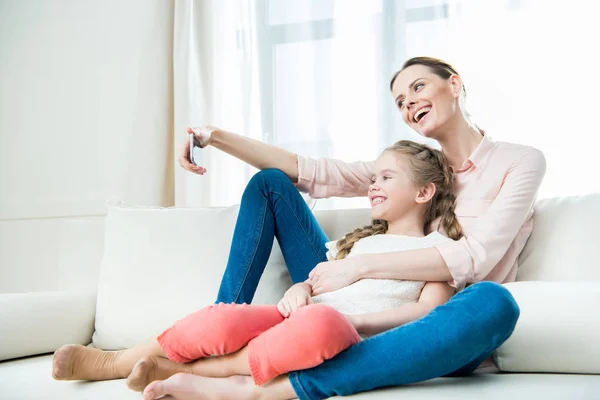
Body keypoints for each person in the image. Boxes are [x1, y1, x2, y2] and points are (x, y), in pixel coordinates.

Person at [77, 56, 548, 400]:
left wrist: (357, 273)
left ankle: (255, 386)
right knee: (270, 184)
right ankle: (199, 340)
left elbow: (475, 257)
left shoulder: (519, 162)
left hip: (430, 322)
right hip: (343, 292)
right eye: (401, 101)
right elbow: (312, 170)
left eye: (419, 88)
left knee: (493, 302)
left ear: (455, 84)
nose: (410, 104)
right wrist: (213, 137)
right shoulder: (407, 169)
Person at [52, 140, 463, 394]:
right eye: (373, 177)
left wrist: (353, 319)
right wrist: (301, 288)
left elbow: (431, 313)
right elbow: (319, 280)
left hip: (342, 331)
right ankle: (114, 361)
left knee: (318, 325)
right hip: (308, 312)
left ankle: (181, 370)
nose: (372, 185)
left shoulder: (437, 250)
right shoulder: (361, 241)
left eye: (386, 178)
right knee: (220, 323)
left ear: (425, 191)